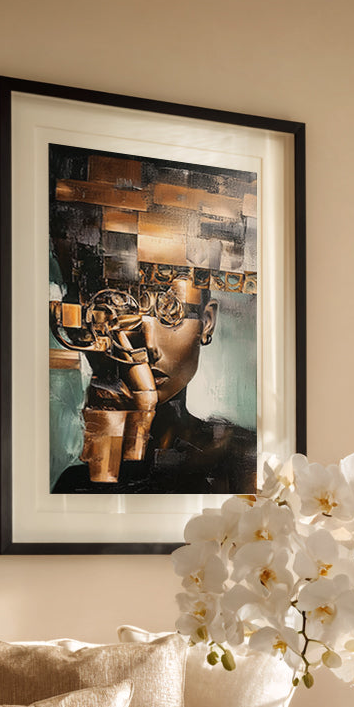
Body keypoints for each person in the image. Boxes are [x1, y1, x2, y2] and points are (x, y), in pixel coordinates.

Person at [47, 144, 256, 495]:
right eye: (114, 309)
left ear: (207, 322)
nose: (145, 345)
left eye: (169, 313)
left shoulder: (245, 461)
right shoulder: (75, 486)